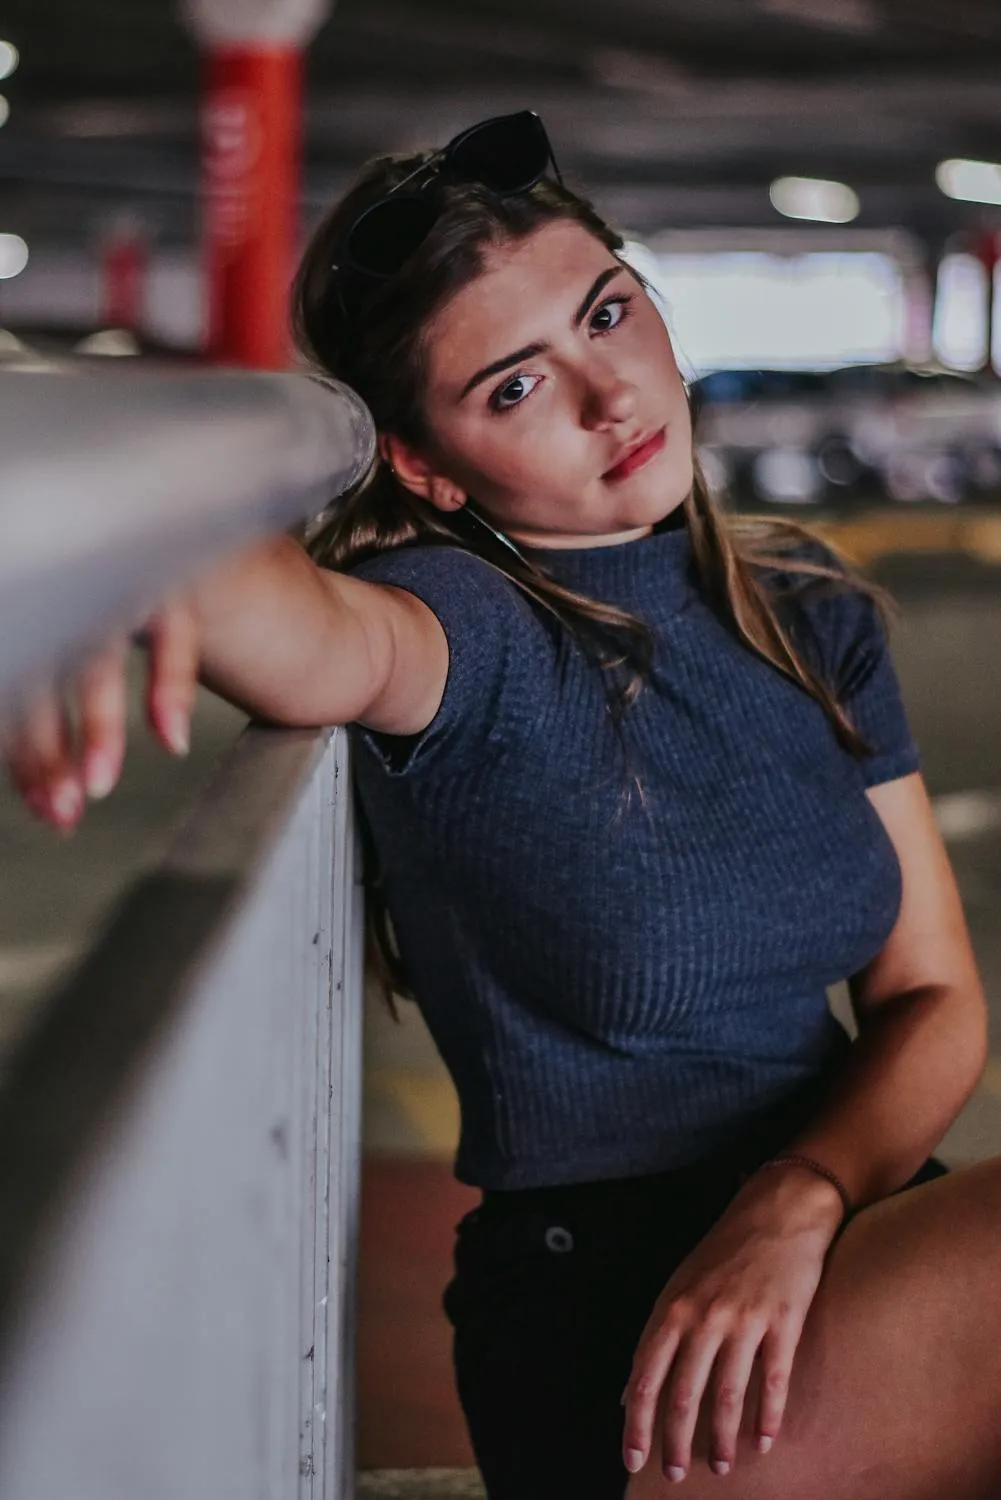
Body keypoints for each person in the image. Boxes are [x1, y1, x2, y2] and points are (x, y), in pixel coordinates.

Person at [5, 111, 1001, 1500]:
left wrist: (804, 1193)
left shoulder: (804, 610)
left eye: (608, 312)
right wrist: (101, 527)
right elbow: (286, 624)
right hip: (636, 1325)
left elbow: (936, 998)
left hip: (857, 1234)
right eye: (516, 389)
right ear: (427, 468)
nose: (611, 395)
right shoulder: (464, 634)